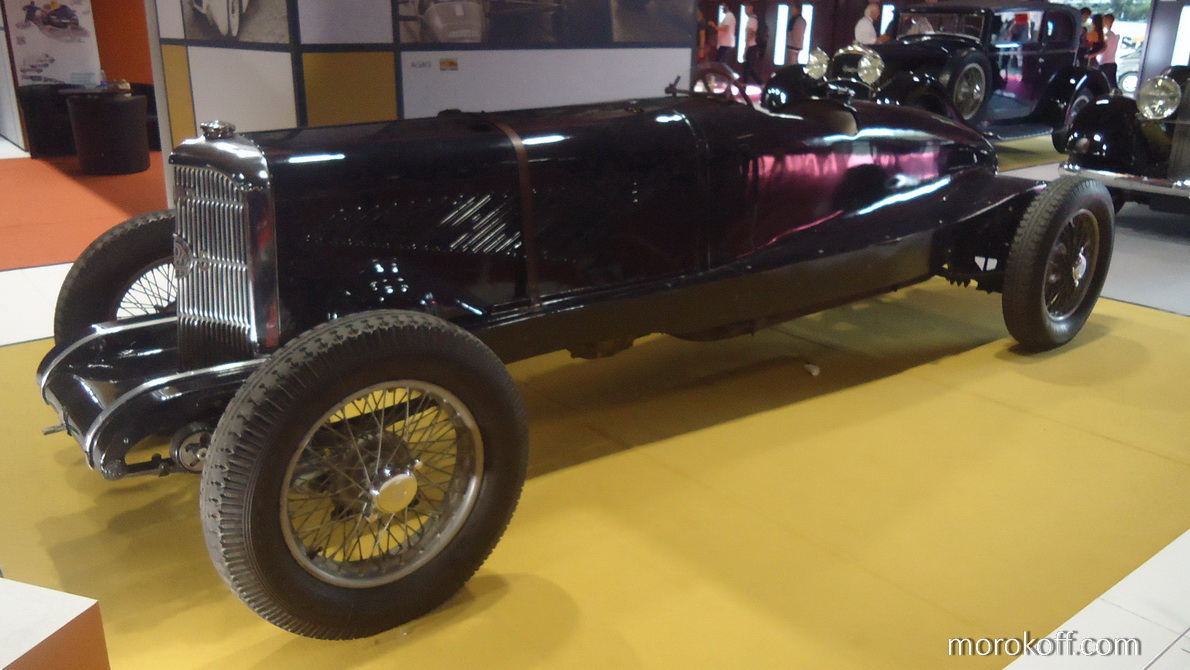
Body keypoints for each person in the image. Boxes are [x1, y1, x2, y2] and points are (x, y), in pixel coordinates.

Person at [741, 3, 763, 85]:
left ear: (751, 9)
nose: (745, 11)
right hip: (753, 46)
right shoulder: (754, 19)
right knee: (748, 68)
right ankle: (759, 83)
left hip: (751, 46)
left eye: (746, 9)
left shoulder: (752, 20)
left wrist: (746, 48)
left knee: (747, 68)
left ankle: (758, 83)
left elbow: (749, 34)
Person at [1098, 13, 1120, 89]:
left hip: (1105, 64)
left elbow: (1103, 49)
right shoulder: (1114, 36)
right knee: (1112, 86)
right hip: (1112, 63)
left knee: (1102, 86)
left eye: (1104, 20)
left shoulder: (1107, 36)